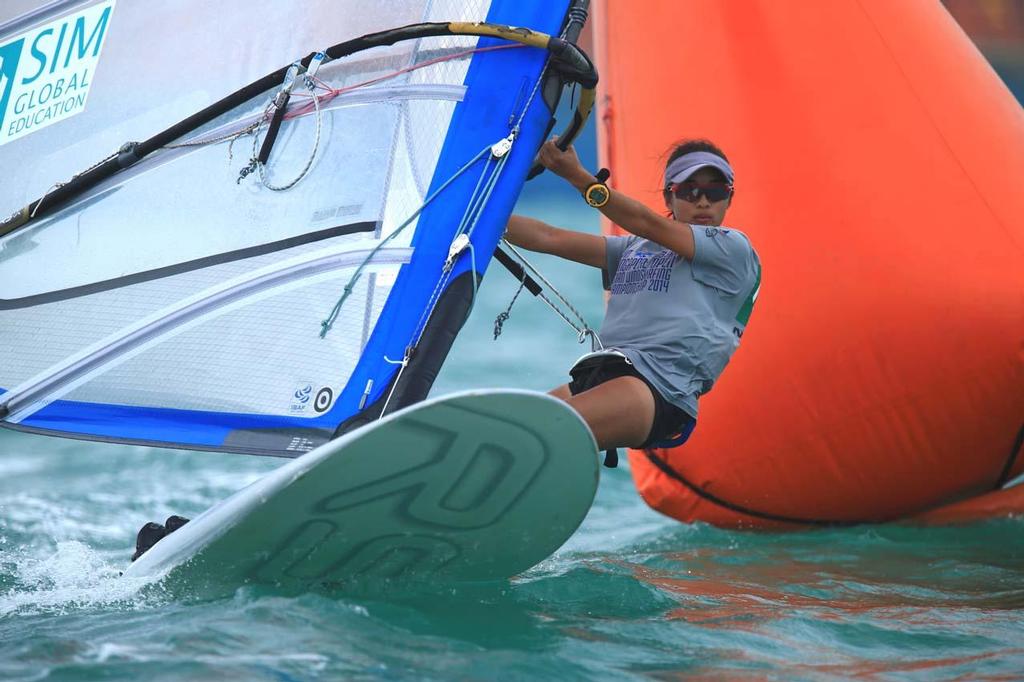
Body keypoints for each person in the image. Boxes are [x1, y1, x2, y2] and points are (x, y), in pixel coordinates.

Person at [504, 138, 760, 461]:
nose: (704, 202)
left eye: (716, 191)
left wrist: (578, 177)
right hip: (602, 376)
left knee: (529, 437)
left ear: (729, 198)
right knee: (511, 428)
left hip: (657, 391)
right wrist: (480, 219)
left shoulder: (734, 250)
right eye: (690, 190)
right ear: (671, 195)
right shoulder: (634, 250)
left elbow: (647, 222)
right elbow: (549, 237)